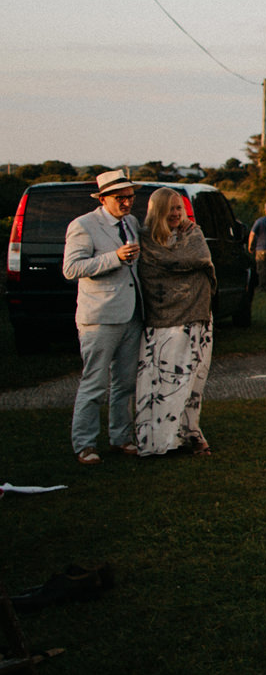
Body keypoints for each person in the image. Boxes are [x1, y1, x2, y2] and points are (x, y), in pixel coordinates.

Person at [63, 170, 144, 465]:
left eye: (130, 197)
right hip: (100, 317)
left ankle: (120, 437)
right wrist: (115, 258)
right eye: (120, 198)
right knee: (94, 382)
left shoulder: (132, 223)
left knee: (125, 383)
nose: (126, 203)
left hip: (132, 314)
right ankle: (84, 444)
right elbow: (71, 269)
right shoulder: (83, 225)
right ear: (103, 199)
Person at [134, 188, 216, 456]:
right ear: (157, 210)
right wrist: (183, 267)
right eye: (170, 209)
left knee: (192, 381)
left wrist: (179, 266)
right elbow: (153, 270)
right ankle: (161, 439)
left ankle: (189, 433)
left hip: (196, 317)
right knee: (163, 381)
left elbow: (201, 258)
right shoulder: (145, 239)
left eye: (179, 208)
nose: (176, 214)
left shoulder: (193, 232)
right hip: (163, 321)